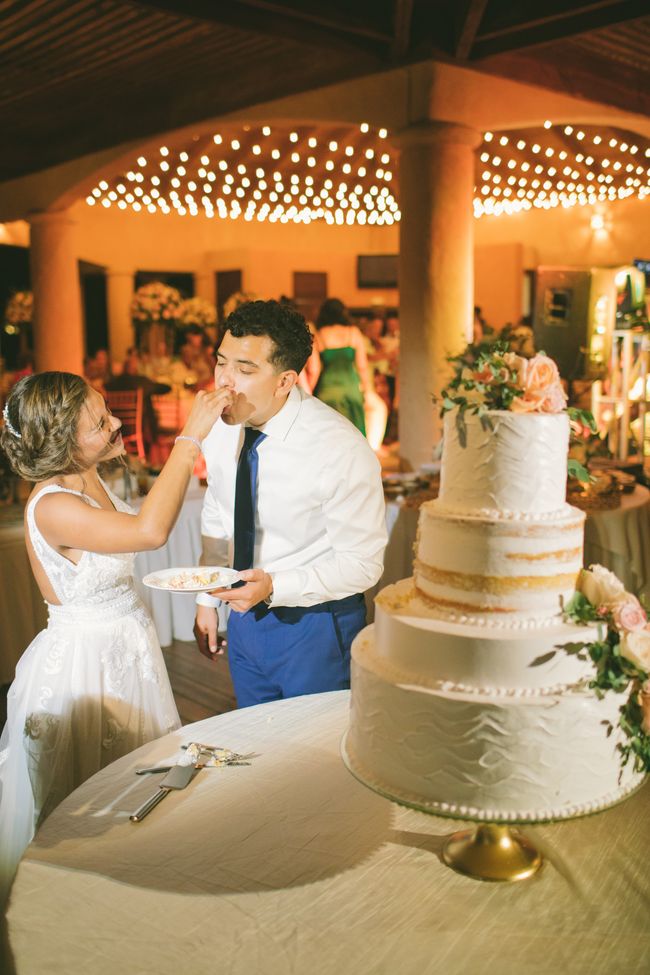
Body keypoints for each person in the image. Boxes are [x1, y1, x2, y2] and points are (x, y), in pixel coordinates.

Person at [0, 372, 232, 904]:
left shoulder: (92, 477)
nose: (115, 423)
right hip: (89, 667)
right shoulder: (52, 505)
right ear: (63, 441)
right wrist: (190, 438)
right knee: (90, 799)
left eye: (106, 411)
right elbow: (149, 532)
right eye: (99, 423)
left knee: (140, 778)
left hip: (129, 648)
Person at [194, 299, 387, 708]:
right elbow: (217, 511)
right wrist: (207, 599)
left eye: (245, 370)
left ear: (285, 381)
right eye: (221, 362)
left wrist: (275, 586)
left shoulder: (338, 447)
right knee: (256, 737)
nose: (224, 380)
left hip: (316, 623)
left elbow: (363, 564)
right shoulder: (221, 426)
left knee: (316, 744)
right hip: (243, 618)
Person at [312, 298, 371, 435]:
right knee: (355, 435)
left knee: (330, 435)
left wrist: (309, 392)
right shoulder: (353, 332)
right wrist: (367, 389)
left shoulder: (319, 335)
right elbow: (362, 366)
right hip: (350, 389)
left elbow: (314, 369)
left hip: (327, 390)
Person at [104, 348, 172, 452]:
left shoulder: (112, 384)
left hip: (116, 425)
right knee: (146, 402)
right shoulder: (141, 382)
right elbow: (165, 388)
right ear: (136, 369)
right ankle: (152, 441)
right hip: (135, 427)